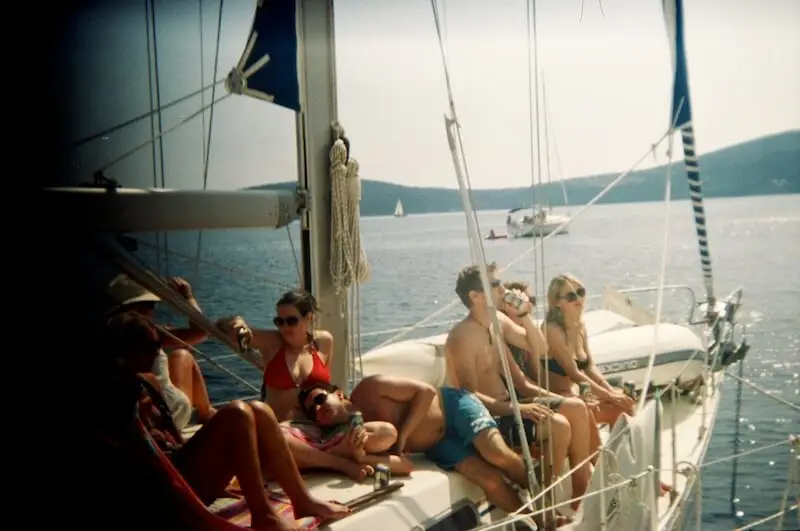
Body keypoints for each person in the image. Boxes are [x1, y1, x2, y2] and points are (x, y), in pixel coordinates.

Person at [100, 311, 350, 531]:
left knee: (259, 409)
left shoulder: (148, 382)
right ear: (124, 352)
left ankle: (302, 501)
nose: (157, 353)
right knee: (237, 413)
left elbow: (174, 437)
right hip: (164, 493)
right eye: (149, 347)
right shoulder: (111, 397)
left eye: (158, 345)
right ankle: (263, 517)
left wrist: (214, 471)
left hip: (182, 472)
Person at [306, 374, 569, 530]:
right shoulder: (356, 436)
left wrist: (404, 435)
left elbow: (426, 392)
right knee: (488, 479)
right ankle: (540, 522)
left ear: (338, 393)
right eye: (312, 411)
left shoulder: (368, 389)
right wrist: (362, 457)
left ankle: (548, 504)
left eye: (320, 399)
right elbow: (405, 465)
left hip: (452, 406)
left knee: (496, 453)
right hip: (437, 445)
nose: (319, 409)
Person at [446, 263, 594, 511]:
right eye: (495, 284)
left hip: (513, 405)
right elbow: (468, 396)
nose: (503, 289)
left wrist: (525, 315)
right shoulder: (461, 337)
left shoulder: (498, 321)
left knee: (577, 407)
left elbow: (540, 347)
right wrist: (518, 409)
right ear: (475, 296)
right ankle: (545, 502)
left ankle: (581, 484)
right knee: (558, 424)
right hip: (490, 418)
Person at [502, 280, 602, 464]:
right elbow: (524, 385)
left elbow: (539, 377)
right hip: (518, 408)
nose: (529, 306)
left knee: (583, 407)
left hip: (539, 398)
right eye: (522, 302)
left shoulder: (526, 336)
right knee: (578, 408)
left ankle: (600, 469)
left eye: (532, 300)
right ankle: (594, 470)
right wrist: (564, 399)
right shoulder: (505, 337)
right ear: (507, 305)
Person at [107, 274, 215, 429]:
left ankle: (206, 411)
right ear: (136, 307)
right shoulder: (148, 333)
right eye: (150, 304)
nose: (153, 310)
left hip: (141, 412)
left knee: (179, 355)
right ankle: (207, 412)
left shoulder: (111, 333)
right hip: (168, 414)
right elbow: (201, 331)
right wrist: (188, 297)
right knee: (183, 355)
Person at [218, 290, 333, 422]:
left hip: (316, 427)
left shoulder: (324, 341)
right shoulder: (272, 341)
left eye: (291, 321)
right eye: (279, 321)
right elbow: (221, 326)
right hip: (279, 427)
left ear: (308, 317)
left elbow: (327, 388)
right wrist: (235, 323)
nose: (284, 327)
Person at [542, 274, 635, 427]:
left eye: (581, 292)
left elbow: (589, 367)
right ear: (557, 302)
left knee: (624, 406)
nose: (578, 299)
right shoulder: (551, 330)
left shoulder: (579, 327)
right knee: (614, 404)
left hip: (575, 394)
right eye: (571, 296)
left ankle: (621, 443)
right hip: (557, 399)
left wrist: (611, 392)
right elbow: (574, 373)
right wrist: (609, 396)